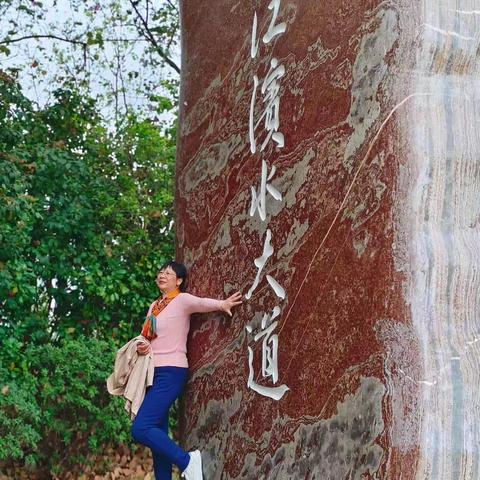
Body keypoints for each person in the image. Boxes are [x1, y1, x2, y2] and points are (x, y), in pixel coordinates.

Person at [130, 260, 242, 480]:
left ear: (178, 280)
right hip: (152, 372)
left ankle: (187, 461)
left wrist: (223, 304)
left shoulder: (181, 300)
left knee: (141, 428)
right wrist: (143, 346)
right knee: (157, 433)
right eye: (160, 272)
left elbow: (201, 303)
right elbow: (150, 336)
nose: (162, 275)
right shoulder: (154, 306)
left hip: (171, 371)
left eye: (168, 273)